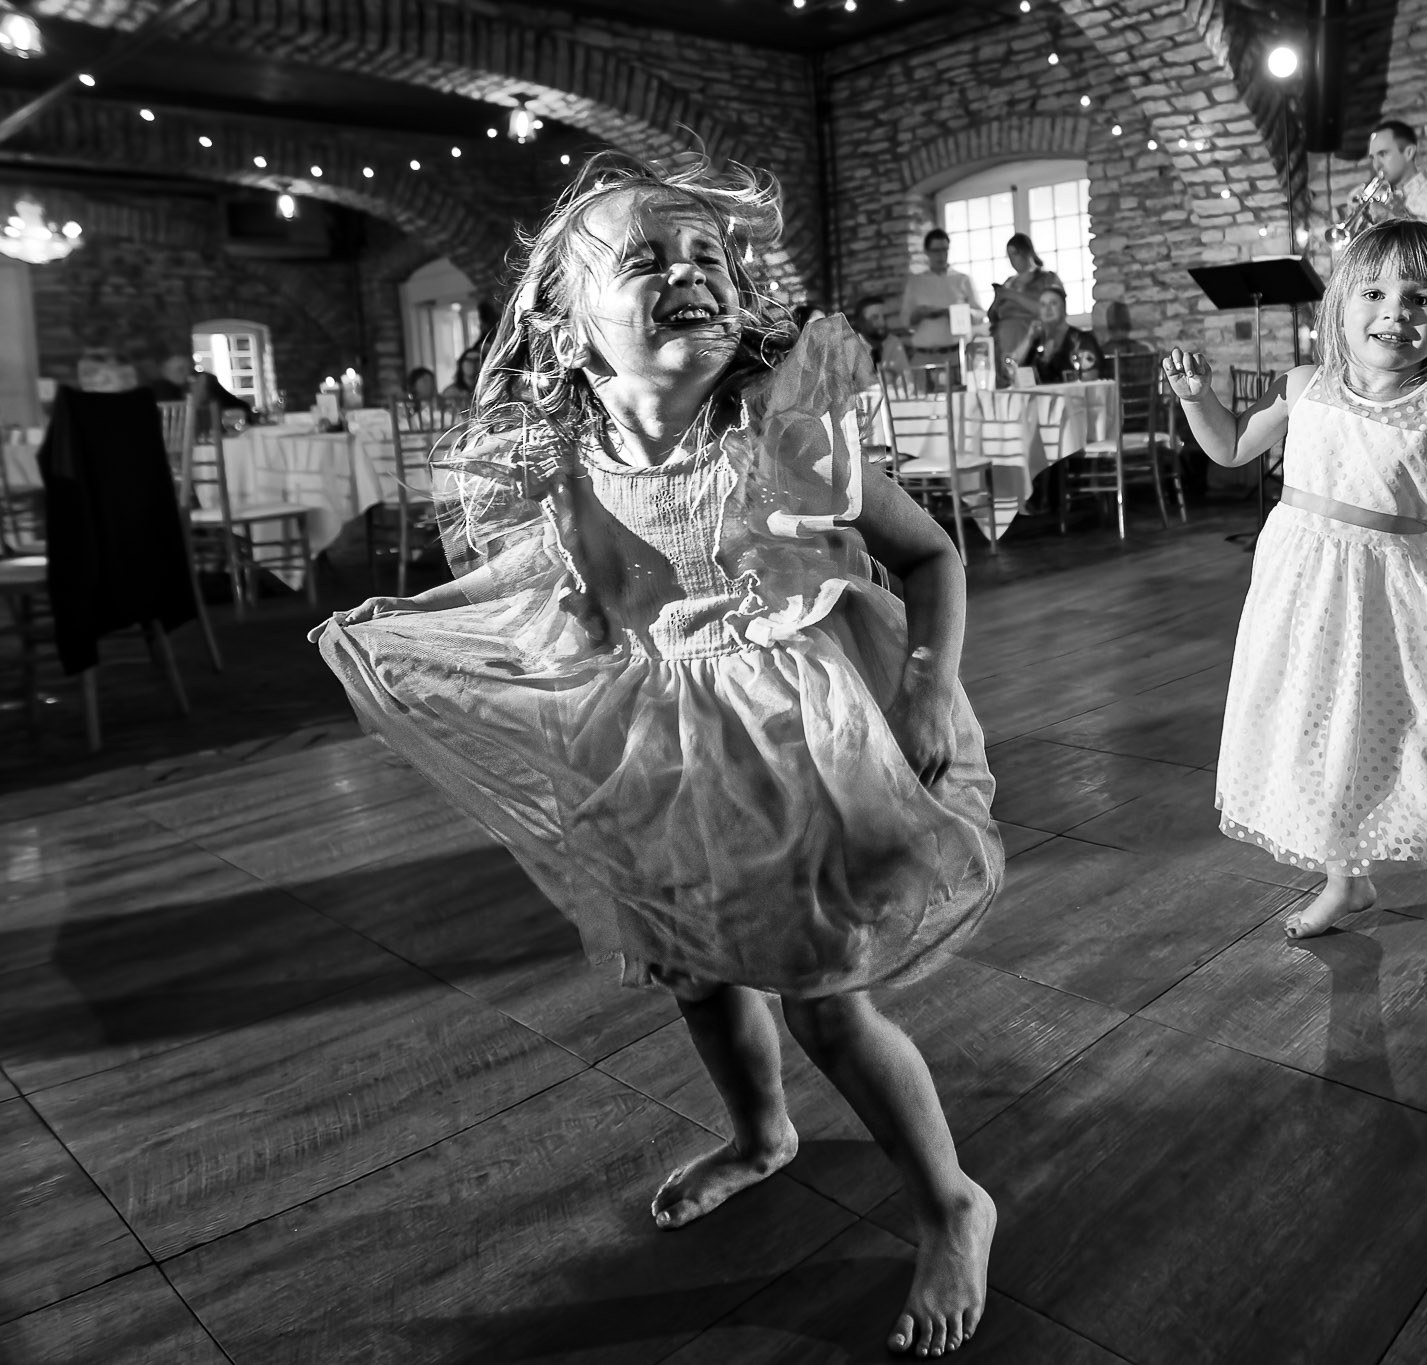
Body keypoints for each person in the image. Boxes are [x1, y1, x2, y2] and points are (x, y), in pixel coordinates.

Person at [314, 154, 1002, 1357]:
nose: (689, 275)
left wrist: (932, 684)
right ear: (567, 329)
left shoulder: (782, 432)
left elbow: (931, 555)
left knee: (827, 999)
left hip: (809, 740)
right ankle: (760, 1135)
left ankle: (951, 1198)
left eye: (708, 261)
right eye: (645, 262)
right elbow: (562, 600)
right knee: (697, 971)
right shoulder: (563, 469)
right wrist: (447, 647)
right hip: (662, 749)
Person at [1160, 219, 1427, 1005]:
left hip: (1403, 606)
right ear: (1340, 305)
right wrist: (1197, 400)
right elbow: (1227, 447)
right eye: (1375, 291)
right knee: (1330, 737)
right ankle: (1345, 880)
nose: (1396, 311)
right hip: (1307, 603)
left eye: (1421, 297)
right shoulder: (1303, 387)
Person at [1353, 119, 1427, 244]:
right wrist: (1354, 220)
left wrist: (1396, 218)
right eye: (1373, 157)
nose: (1376, 165)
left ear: (1409, 152)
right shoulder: (1373, 198)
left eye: (1383, 154)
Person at [898, 228, 983, 385]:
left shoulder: (962, 280)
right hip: (923, 358)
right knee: (923, 407)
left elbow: (979, 316)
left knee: (958, 405)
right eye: (936, 250)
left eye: (944, 249)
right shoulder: (916, 282)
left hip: (955, 356)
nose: (941, 255)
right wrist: (920, 314)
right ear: (927, 252)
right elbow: (904, 321)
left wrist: (955, 313)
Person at [987, 233, 1064, 365]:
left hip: (1031, 341)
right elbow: (992, 315)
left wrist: (1012, 295)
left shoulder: (1047, 279)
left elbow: (1049, 311)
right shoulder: (1009, 282)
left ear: (1027, 252)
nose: (1012, 260)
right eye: (1009, 256)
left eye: (1015, 254)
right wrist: (998, 298)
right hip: (1003, 341)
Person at [1008, 286, 1102, 382]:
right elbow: (1012, 366)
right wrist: (1029, 337)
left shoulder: (1081, 340)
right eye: (1043, 305)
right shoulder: (1035, 342)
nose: (1048, 309)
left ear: (1064, 308)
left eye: (1053, 303)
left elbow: (1090, 379)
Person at [148, 351, 253, 427]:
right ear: (164, 370)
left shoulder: (201, 382)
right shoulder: (160, 389)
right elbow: (185, 418)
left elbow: (237, 404)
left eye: (188, 368)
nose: (187, 373)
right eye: (180, 370)